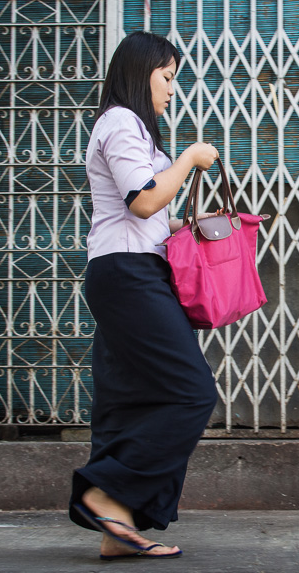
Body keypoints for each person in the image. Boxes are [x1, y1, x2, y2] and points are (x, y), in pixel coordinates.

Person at [68, 31, 220, 560]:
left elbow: (151, 213)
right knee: (191, 391)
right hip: (128, 277)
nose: (172, 90)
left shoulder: (134, 133)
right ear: (142, 73)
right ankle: (106, 491)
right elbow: (141, 201)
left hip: (128, 270)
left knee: (127, 400)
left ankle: (119, 529)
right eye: (168, 77)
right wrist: (189, 158)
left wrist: (189, 223)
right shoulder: (120, 123)